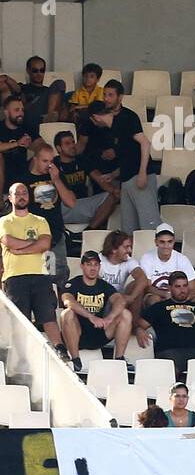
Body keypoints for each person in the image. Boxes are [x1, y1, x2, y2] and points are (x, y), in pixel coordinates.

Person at [81, 83, 158, 234]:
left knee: (150, 225)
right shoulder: (112, 128)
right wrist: (114, 174)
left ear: (95, 118)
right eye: (105, 95)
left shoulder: (127, 119)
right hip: (126, 179)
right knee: (128, 228)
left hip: (140, 177)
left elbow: (145, 143)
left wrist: (142, 173)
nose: (107, 99)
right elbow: (129, 155)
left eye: (111, 95)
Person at [1, 181, 63, 353]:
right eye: (17, 193)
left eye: (25, 193)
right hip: (14, 277)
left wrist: (21, 251)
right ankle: (21, 357)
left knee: (48, 315)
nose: (22, 196)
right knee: (21, 320)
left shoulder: (40, 220)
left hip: (40, 275)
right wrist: (33, 244)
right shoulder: (4, 221)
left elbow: (45, 244)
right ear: (10, 198)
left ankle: (60, 350)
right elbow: (7, 241)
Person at [137, 272, 195, 378]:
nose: (182, 290)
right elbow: (138, 324)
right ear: (170, 288)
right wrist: (139, 330)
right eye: (178, 286)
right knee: (170, 370)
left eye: (185, 286)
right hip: (170, 352)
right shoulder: (159, 307)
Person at [59, 250, 134, 371]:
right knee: (67, 313)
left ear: (99, 266)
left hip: (99, 332)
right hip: (77, 333)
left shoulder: (103, 285)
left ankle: (119, 359)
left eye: (96, 264)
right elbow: (68, 301)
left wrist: (110, 318)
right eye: (89, 264)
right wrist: (91, 317)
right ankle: (75, 359)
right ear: (82, 266)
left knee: (125, 314)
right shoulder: (73, 283)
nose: (93, 268)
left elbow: (120, 301)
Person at [15, 140, 74, 283]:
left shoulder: (57, 176)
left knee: (57, 275)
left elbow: (71, 202)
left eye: (51, 161)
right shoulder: (24, 179)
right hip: (33, 236)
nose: (48, 165)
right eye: (44, 161)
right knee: (35, 275)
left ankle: (58, 304)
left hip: (55, 235)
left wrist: (56, 180)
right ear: (35, 159)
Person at [51, 130, 117, 232]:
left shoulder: (81, 160)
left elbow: (100, 179)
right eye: (67, 143)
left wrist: (114, 191)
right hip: (62, 207)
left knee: (111, 197)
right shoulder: (53, 164)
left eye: (73, 142)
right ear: (59, 148)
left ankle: (89, 231)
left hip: (82, 204)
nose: (72, 146)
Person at [138, 223, 195, 310]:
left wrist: (181, 300)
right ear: (156, 242)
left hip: (179, 298)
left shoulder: (182, 258)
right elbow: (147, 287)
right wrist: (166, 295)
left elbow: (193, 289)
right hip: (156, 296)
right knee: (155, 300)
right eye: (162, 242)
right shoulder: (146, 258)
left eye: (169, 242)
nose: (166, 246)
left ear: (174, 241)